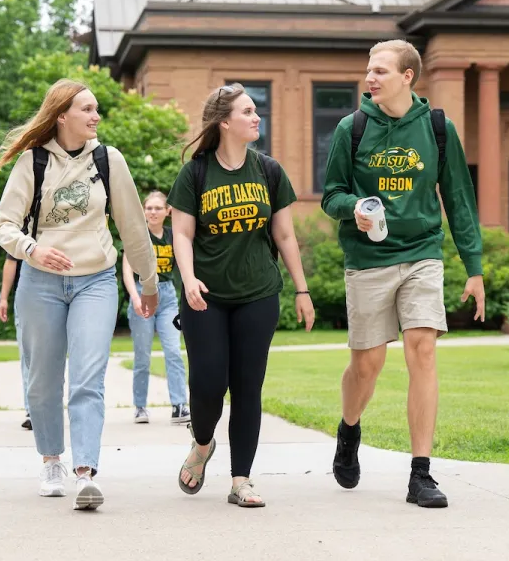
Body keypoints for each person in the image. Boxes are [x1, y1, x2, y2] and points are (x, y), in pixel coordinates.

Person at [321, 39, 485, 508]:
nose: (369, 78)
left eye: (380, 71)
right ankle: (349, 428)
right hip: (368, 258)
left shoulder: (437, 128)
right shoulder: (351, 127)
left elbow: (458, 198)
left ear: (407, 76)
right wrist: (355, 207)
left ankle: (421, 474)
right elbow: (331, 194)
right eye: (368, 70)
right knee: (367, 365)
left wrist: (473, 268)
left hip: (422, 253)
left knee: (423, 350)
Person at [0, 78, 159, 511]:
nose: (96, 116)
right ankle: (51, 461)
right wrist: (32, 249)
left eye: (96, 108)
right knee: (42, 381)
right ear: (62, 115)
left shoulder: (108, 160)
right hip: (40, 283)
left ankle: (85, 471)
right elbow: (3, 224)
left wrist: (149, 282)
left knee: (88, 377)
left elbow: (133, 227)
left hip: (95, 281)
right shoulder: (32, 162)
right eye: (87, 109)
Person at [167, 83, 315, 508]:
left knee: (248, 387)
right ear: (224, 122)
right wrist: (188, 279)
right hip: (205, 295)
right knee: (208, 383)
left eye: (256, 110)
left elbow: (284, 235)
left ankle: (241, 480)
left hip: (258, 292)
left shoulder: (268, 170)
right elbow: (182, 234)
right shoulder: (195, 173)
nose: (256, 117)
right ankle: (202, 443)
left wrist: (302, 289)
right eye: (248, 111)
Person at [122, 191, 190, 425]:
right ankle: (140, 407)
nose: (153, 212)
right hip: (142, 294)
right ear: (143, 211)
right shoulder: (138, 235)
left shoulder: (173, 235)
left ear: (168, 211)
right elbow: (127, 269)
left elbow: (185, 264)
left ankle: (179, 405)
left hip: (167, 296)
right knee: (142, 356)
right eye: (149, 208)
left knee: (173, 351)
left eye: (158, 208)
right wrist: (134, 297)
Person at [0, 254, 32, 430]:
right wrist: (4, 298)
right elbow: (11, 260)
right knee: (27, 356)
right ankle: (33, 411)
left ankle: (48, 408)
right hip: (26, 298)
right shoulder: (23, 237)